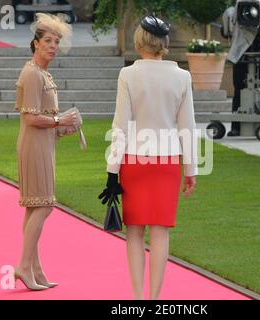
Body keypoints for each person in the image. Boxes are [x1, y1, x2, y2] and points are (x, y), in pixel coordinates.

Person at [98, 15, 198, 300]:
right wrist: (191, 169)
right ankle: (154, 299)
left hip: (134, 160)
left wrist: (111, 170)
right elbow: (187, 127)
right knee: (160, 232)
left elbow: (120, 126)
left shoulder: (128, 75)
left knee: (134, 233)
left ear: (139, 41)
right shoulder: (182, 76)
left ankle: (138, 298)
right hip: (167, 162)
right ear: (164, 43)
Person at [14, 13, 77, 290]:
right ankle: (24, 266)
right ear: (36, 43)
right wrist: (60, 121)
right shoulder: (31, 73)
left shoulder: (42, 73)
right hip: (33, 144)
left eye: (56, 42)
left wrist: (63, 125)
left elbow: (45, 116)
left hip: (43, 143)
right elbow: (31, 118)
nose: (53, 46)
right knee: (45, 204)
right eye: (48, 41)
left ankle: (35, 269)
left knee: (35, 206)